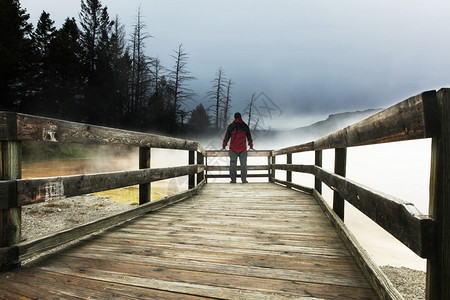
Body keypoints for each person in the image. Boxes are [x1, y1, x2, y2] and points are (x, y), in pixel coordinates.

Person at [222, 112, 254, 183]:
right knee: (243, 165)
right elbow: (249, 137)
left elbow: (226, 137)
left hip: (233, 149)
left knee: (233, 165)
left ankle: (233, 180)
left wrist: (224, 145)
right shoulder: (245, 126)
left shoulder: (231, 126)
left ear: (234, 117)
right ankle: (244, 180)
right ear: (240, 117)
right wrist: (251, 145)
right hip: (243, 149)